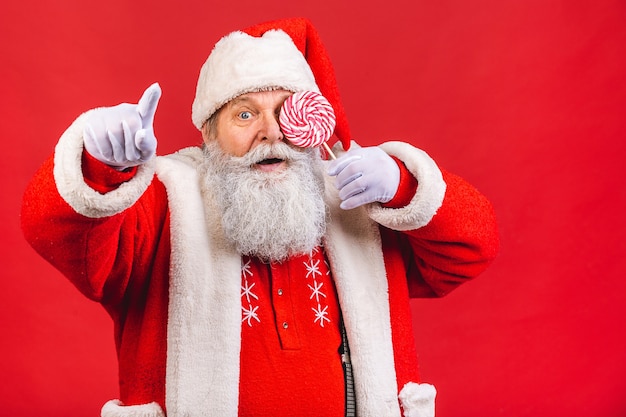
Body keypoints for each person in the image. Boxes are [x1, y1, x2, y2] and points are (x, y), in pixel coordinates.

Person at [21, 17, 498, 417]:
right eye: (245, 115)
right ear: (209, 134)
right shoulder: (163, 204)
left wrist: (402, 186)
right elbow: (54, 232)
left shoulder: (356, 200)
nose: (271, 133)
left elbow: (472, 249)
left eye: (284, 111)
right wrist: (100, 162)